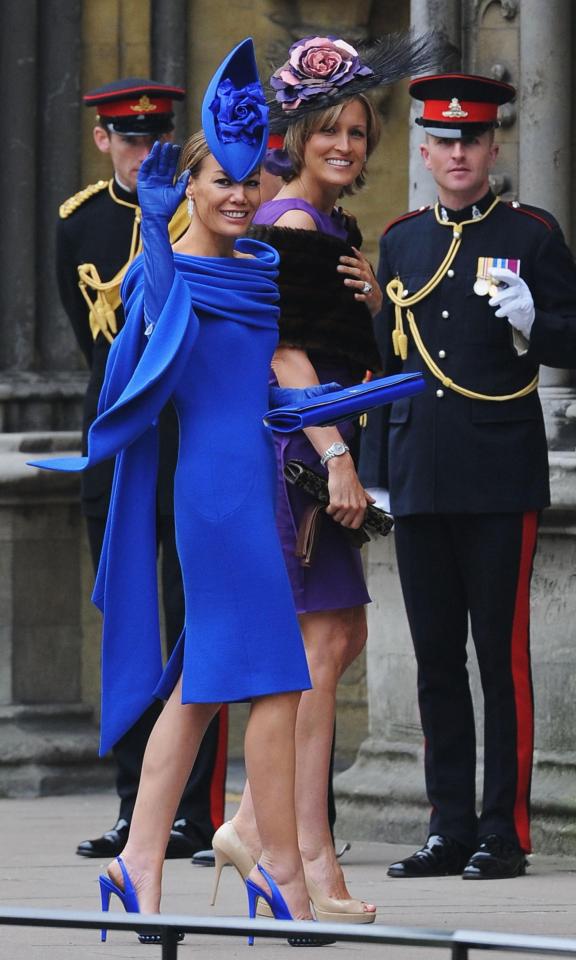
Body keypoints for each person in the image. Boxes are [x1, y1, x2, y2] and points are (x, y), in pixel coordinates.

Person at [33, 38, 338, 944]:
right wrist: (160, 232)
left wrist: (329, 430)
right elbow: (154, 335)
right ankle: (272, 862)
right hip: (212, 498)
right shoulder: (174, 269)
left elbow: (272, 372)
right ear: (190, 191)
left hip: (253, 481)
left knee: (215, 688)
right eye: (221, 184)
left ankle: (147, 862)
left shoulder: (261, 267)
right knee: (267, 676)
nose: (240, 195)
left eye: (252, 180)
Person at [211, 32, 445, 922]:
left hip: (318, 446)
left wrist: (378, 304)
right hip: (301, 456)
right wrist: (337, 458)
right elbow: (286, 351)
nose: (345, 144)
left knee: (335, 640)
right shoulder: (292, 223)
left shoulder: (328, 226)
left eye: (357, 130)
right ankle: (287, 847)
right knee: (312, 650)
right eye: (328, 131)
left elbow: (340, 345)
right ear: (296, 136)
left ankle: (282, 839)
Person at [362, 73, 576, 880]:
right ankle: (448, 826)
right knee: (435, 660)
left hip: (496, 473)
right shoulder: (404, 239)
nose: (459, 152)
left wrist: (537, 323)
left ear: (493, 148)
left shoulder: (534, 234)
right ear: (425, 150)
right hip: (419, 472)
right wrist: (378, 471)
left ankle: (503, 832)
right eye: (445, 141)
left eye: (473, 140)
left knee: (501, 659)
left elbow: (572, 336)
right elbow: (391, 364)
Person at [56, 77, 227, 860]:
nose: (139, 152)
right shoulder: (81, 224)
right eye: (127, 139)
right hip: (121, 444)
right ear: (103, 141)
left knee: (194, 629)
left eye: (154, 139)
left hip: (187, 443)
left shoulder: (206, 217)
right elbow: (93, 339)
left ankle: (192, 808)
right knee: (130, 624)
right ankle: (133, 803)